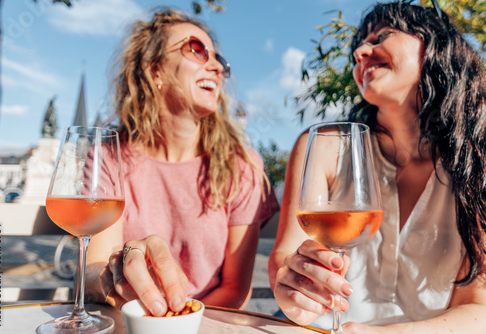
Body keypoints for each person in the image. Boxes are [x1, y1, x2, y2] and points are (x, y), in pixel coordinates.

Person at [269, 1, 486, 333]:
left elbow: (477, 307)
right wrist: (295, 291)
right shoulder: (324, 147)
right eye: (359, 46)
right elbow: (286, 255)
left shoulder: (476, 160)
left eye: (382, 36)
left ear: (435, 47)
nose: (360, 53)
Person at [84, 7, 279, 317]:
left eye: (219, 60)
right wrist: (112, 275)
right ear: (154, 70)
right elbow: (92, 270)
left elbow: (235, 288)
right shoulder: (110, 155)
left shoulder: (242, 165)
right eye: (197, 50)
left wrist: (178, 320)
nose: (216, 66)